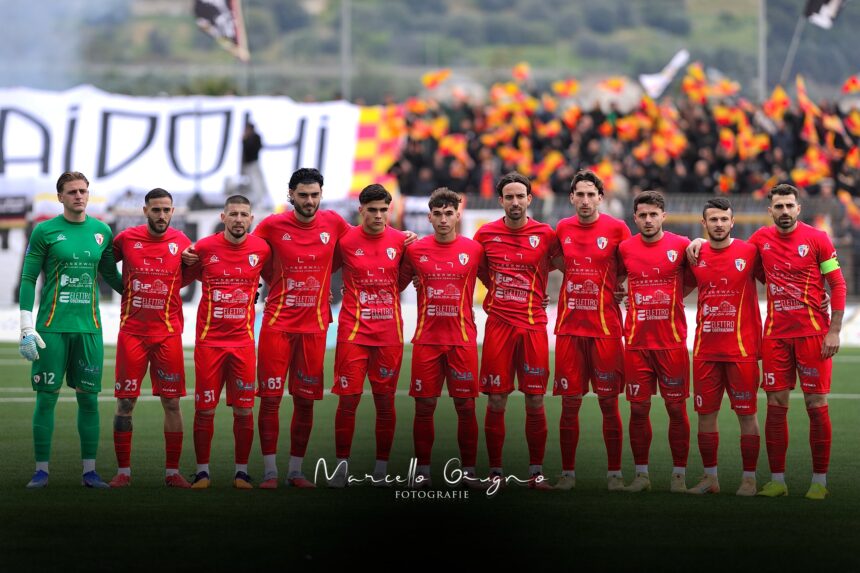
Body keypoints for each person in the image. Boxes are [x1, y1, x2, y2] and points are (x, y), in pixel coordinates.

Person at [688, 184, 846, 499]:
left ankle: (819, 482)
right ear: (770, 210)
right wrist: (699, 241)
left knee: (816, 405)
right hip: (774, 336)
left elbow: (837, 284)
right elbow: (729, 251)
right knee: (776, 405)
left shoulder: (818, 239)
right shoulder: (760, 240)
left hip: (813, 334)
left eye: (789, 205)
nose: (784, 211)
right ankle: (777, 481)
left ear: (798, 208)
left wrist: (834, 330)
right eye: (779, 206)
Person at [19, 171, 123, 489]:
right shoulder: (45, 231)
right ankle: (41, 471)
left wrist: (146, 294)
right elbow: (28, 278)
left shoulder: (102, 231)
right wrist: (26, 326)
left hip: (89, 329)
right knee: (46, 399)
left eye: (83, 191)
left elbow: (112, 277)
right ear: (60, 197)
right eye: (72, 191)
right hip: (51, 329)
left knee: (89, 401)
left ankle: (89, 472)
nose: (79, 195)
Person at [253, 168, 350, 488]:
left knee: (305, 400)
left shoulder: (334, 223)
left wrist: (403, 237)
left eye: (314, 195)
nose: (309, 201)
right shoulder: (271, 225)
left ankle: (295, 471)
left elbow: (358, 245)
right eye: (303, 195)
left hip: (314, 326)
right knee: (270, 398)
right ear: (291, 195)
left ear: (321, 195)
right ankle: (270, 472)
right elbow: (250, 256)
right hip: (277, 324)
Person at [473, 171, 560, 489]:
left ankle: (536, 473)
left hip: (534, 325)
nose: (515, 202)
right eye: (509, 197)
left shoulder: (545, 234)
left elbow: (569, 265)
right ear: (500, 201)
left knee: (535, 399)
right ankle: (495, 473)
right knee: (496, 400)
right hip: (499, 325)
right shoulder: (485, 235)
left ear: (529, 199)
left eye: (520, 196)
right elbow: (478, 270)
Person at [398, 188, 485, 488]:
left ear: (458, 215)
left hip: (462, 340)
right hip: (427, 341)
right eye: (438, 214)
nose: (444, 219)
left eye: (449, 213)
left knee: (466, 407)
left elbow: (497, 281)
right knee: (424, 407)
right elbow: (394, 283)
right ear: (429, 217)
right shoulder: (415, 250)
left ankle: (469, 472)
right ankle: (422, 472)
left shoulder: (474, 250)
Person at [108, 188, 194, 488]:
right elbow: (104, 264)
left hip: (168, 335)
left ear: (173, 211)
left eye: (166, 210)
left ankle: (172, 472)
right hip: (132, 333)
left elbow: (192, 273)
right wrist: (123, 289)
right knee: (125, 403)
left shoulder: (181, 242)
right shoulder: (126, 239)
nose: (161, 215)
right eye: (156, 210)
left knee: (172, 402)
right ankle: (123, 472)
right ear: (145, 211)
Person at [552, 170, 630, 491]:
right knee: (570, 403)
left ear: (600, 197)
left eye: (590, 195)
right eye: (580, 195)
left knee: (609, 403)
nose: (585, 201)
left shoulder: (617, 228)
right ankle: (567, 475)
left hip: (605, 329)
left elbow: (629, 265)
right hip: (570, 328)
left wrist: (616, 286)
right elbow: (555, 261)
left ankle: (614, 475)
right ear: (572, 198)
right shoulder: (562, 228)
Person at [186, 195, 271, 489]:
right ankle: (202, 472)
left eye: (244, 214)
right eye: (233, 214)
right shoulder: (204, 248)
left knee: (244, 409)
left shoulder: (261, 249)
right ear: (223, 217)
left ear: (251, 219)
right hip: (209, 343)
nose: (238, 219)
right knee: (204, 409)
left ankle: (241, 473)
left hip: (243, 343)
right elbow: (179, 278)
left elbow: (279, 276)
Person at [328, 184, 407, 487]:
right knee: (348, 401)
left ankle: (381, 471)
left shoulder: (402, 241)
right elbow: (320, 268)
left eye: (383, 210)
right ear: (360, 210)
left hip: (389, 335)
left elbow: (413, 275)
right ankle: (341, 469)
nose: (378, 215)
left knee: (385, 403)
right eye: (372, 210)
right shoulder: (346, 241)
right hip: (353, 333)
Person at [618, 190, 693, 493]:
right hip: (636, 343)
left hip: (671, 343)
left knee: (676, 409)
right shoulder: (625, 248)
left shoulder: (682, 245)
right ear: (635, 218)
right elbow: (613, 280)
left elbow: (699, 275)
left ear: (664, 216)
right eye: (642, 215)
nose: (648, 220)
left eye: (653, 215)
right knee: (638, 410)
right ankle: (641, 475)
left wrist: (674, 298)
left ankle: (679, 476)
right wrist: (619, 293)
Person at [685, 198, 762, 496]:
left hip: (741, 351)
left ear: (732, 222)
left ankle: (749, 479)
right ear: (703, 224)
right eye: (713, 220)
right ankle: (710, 479)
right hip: (705, 350)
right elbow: (674, 288)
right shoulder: (694, 254)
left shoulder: (749, 252)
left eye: (723, 219)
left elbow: (780, 278)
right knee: (705, 415)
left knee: (747, 415)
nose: (719, 224)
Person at [241, 121, 268, 209]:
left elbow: (253, 149)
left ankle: (261, 200)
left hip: (253, 163)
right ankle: (258, 200)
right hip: (248, 164)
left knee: (256, 182)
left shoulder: (255, 137)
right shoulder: (248, 138)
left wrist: (245, 140)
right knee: (252, 183)